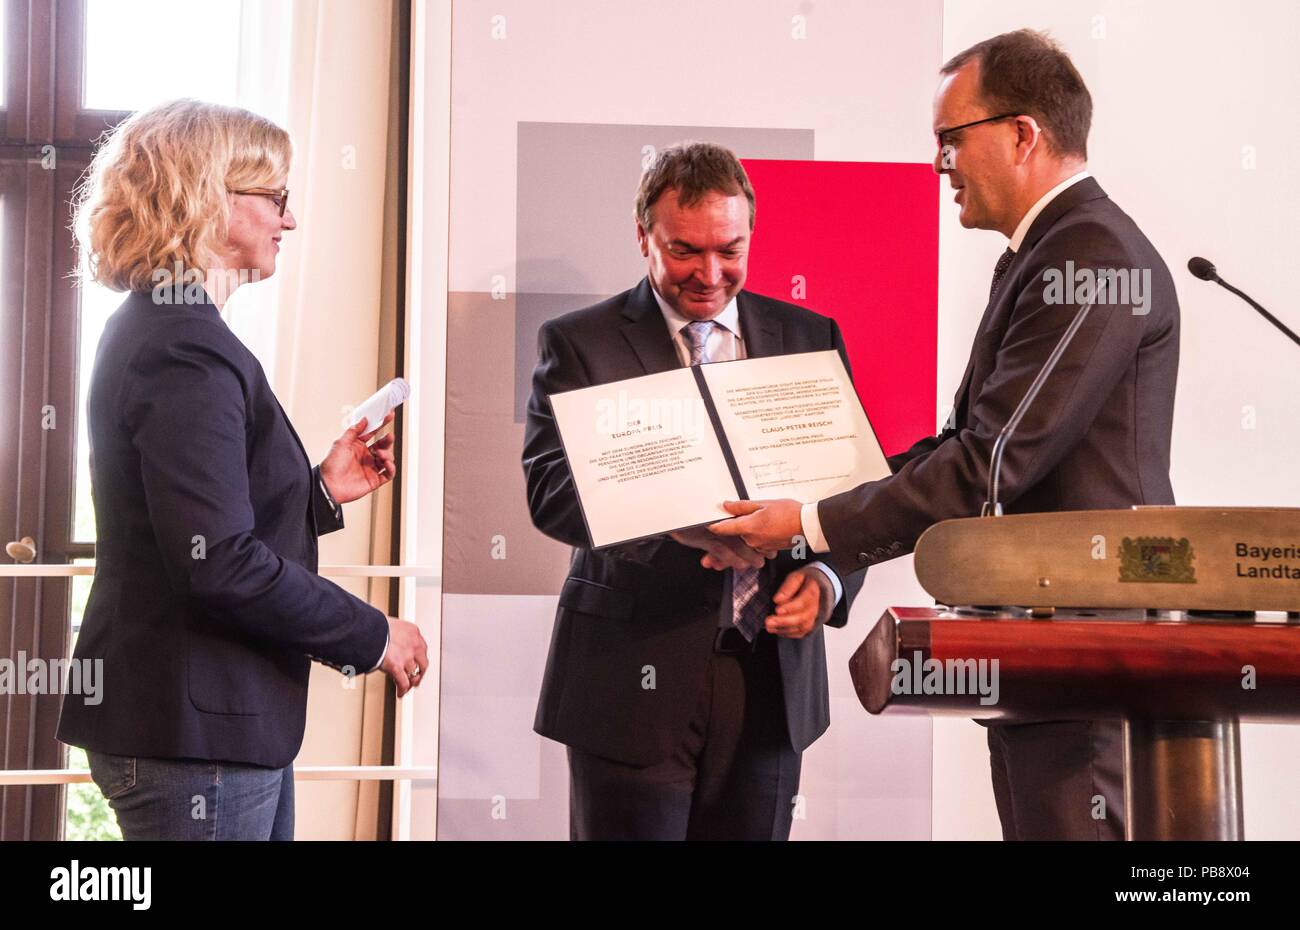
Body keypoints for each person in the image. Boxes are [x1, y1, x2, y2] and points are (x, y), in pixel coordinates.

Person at [710, 30, 1180, 840]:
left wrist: (812, 524)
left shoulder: (1094, 256)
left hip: (1086, 647)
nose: (939, 165)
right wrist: (814, 513)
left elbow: (991, 466)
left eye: (950, 139)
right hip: (1044, 647)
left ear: (1022, 133)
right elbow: (964, 443)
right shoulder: (1045, 256)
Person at [57, 99, 428, 840]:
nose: (288, 221)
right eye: (277, 198)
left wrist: (319, 489)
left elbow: (201, 529)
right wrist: (374, 634)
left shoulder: (165, 327)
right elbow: (219, 562)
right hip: (193, 740)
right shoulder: (184, 346)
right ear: (209, 198)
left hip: (205, 734)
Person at [522, 141, 864, 840]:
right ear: (643, 237)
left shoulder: (809, 335)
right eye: (684, 251)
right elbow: (551, 488)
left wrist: (827, 580)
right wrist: (675, 521)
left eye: (729, 250)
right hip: (629, 680)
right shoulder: (581, 342)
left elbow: (852, 494)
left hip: (769, 679)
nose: (710, 275)